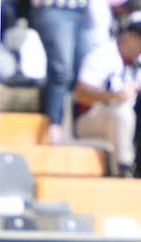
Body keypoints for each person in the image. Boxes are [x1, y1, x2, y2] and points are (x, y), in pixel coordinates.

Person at [72, 21, 141, 177]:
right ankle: (123, 169)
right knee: (122, 112)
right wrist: (113, 96)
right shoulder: (103, 55)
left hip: (122, 124)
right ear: (131, 38)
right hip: (89, 119)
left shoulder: (140, 62)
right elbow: (80, 94)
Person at [31, 0, 94, 144]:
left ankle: (71, 123)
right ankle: (53, 123)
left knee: (83, 70)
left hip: (83, 10)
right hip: (54, 7)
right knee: (61, 70)